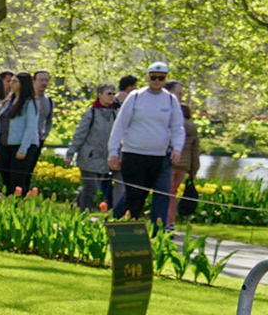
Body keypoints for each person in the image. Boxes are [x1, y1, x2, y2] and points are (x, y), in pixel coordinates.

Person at [106, 61, 184, 226]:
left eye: (161, 78)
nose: (157, 81)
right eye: (154, 77)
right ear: (148, 77)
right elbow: (120, 124)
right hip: (133, 154)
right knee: (134, 194)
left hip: (157, 156)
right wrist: (113, 151)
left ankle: (151, 232)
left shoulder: (170, 100)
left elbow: (177, 128)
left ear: (165, 79)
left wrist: (177, 148)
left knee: (149, 195)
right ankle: (123, 228)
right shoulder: (135, 97)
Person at [68, 84, 119, 210]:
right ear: (100, 95)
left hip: (104, 158)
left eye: (113, 94)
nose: (112, 96)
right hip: (89, 157)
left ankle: (74, 207)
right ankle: (84, 213)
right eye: (109, 93)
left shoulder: (116, 115)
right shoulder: (91, 114)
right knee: (90, 188)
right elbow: (79, 135)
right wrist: (70, 154)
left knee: (92, 187)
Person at [0, 71, 42, 196]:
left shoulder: (29, 103)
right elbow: (0, 124)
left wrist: (23, 149)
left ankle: (18, 207)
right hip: (5, 144)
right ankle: (7, 205)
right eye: (10, 81)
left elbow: (31, 127)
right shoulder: (9, 102)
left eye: (15, 81)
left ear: (23, 84)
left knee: (17, 181)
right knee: (5, 179)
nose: (11, 84)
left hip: (21, 146)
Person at [164, 80, 201, 231]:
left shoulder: (172, 122)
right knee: (172, 194)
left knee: (164, 193)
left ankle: (163, 222)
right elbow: (195, 151)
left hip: (170, 161)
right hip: (184, 165)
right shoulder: (192, 127)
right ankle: (170, 222)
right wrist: (193, 171)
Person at [28, 69, 55, 166]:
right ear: (34, 81)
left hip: (38, 139)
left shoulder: (49, 100)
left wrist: (44, 135)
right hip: (25, 139)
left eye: (46, 80)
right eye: (41, 80)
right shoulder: (28, 99)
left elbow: (49, 120)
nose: (44, 83)